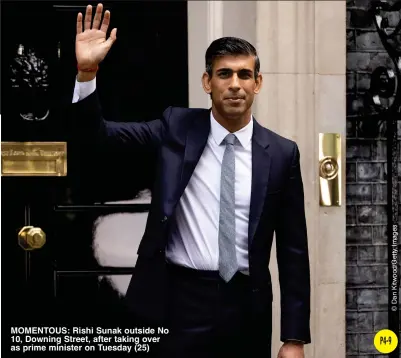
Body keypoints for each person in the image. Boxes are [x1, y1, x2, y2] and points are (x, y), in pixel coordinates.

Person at [71, 4, 311, 358]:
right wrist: (87, 72)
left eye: (244, 75)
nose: (235, 85)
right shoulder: (176, 128)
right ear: (207, 82)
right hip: (179, 300)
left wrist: (293, 338)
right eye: (224, 74)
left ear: (257, 83)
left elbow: (293, 252)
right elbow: (97, 138)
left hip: (247, 305)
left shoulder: (282, 154)